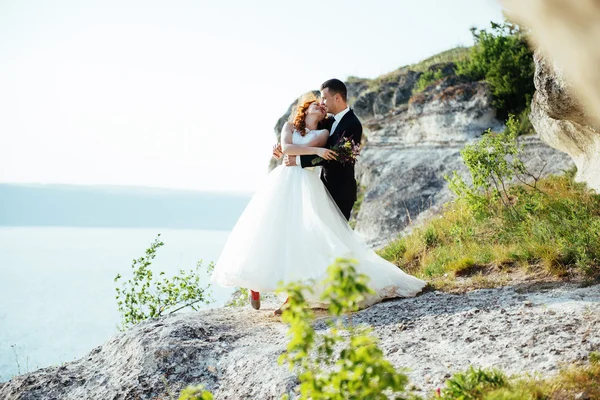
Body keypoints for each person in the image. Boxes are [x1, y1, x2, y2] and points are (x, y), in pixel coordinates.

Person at [210, 79, 426, 315]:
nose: (321, 103)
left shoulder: (352, 123)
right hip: (311, 186)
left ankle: (336, 290)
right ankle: (293, 294)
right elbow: (294, 146)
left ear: (337, 97)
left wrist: (300, 158)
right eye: (318, 101)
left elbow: (340, 155)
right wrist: (285, 150)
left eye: (324, 98)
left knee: (334, 244)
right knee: (297, 238)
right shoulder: (323, 123)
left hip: (338, 190)